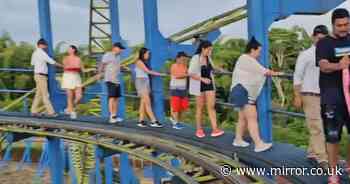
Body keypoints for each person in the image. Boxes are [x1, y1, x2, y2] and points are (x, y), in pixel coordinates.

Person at [315, 9, 350, 184]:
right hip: (332, 98)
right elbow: (323, 66)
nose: (343, 28)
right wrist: (340, 65)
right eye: (340, 25)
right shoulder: (324, 43)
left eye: (346, 24)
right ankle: (333, 172)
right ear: (333, 25)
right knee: (333, 137)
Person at [230, 37, 280, 152]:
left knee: (242, 117)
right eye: (259, 51)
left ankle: (238, 139)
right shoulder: (246, 58)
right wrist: (277, 73)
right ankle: (258, 144)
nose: (259, 54)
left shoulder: (245, 59)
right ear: (253, 50)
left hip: (239, 91)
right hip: (243, 91)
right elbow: (264, 71)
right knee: (252, 118)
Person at [293, 25, 329, 166]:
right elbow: (297, 76)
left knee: (322, 125)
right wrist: (297, 96)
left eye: (324, 39)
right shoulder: (306, 54)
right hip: (309, 95)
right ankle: (323, 158)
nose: (321, 41)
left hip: (325, 95)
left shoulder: (328, 54)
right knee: (317, 126)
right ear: (313, 37)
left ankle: (312, 152)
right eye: (319, 38)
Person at [188, 40, 225, 138]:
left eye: (211, 50)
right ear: (203, 49)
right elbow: (190, 73)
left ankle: (215, 129)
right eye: (209, 50)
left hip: (209, 84)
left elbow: (212, 68)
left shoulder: (208, 57)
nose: (210, 52)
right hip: (199, 84)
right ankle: (199, 129)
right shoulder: (195, 58)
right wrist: (202, 79)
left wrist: (220, 69)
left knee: (211, 106)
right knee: (200, 107)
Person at [30, 38, 62, 117]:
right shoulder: (42, 53)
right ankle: (51, 112)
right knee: (45, 95)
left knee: (39, 94)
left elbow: (32, 63)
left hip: (37, 75)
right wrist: (63, 66)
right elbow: (52, 62)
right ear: (40, 45)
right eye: (44, 45)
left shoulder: (35, 53)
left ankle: (33, 111)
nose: (46, 46)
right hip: (41, 76)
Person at [135, 48, 165, 128]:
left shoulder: (143, 62)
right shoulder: (139, 62)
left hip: (145, 81)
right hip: (141, 82)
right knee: (147, 102)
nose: (148, 55)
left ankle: (140, 121)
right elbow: (147, 71)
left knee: (143, 102)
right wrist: (160, 74)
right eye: (147, 54)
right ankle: (153, 121)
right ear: (143, 54)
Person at [98, 42, 125, 123]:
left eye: (121, 49)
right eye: (119, 48)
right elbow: (102, 65)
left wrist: (124, 67)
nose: (121, 50)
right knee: (112, 98)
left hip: (117, 80)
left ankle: (115, 115)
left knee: (116, 98)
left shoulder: (118, 57)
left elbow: (117, 66)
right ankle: (112, 117)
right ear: (115, 48)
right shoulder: (108, 55)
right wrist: (99, 74)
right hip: (110, 79)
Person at [61, 45, 84, 119]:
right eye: (68, 49)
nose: (68, 50)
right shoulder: (65, 58)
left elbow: (82, 69)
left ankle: (69, 109)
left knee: (79, 96)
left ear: (73, 50)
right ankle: (72, 111)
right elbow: (66, 67)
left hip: (76, 77)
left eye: (69, 49)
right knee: (70, 96)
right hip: (68, 76)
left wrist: (92, 70)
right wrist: (75, 66)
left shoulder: (78, 58)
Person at [169, 52, 190, 129]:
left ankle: (175, 119)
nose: (183, 61)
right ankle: (176, 123)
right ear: (177, 59)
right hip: (175, 89)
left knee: (183, 107)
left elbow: (189, 74)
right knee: (176, 107)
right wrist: (188, 74)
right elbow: (178, 76)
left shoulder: (185, 66)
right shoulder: (173, 66)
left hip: (183, 89)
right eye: (182, 59)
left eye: (184, 59)